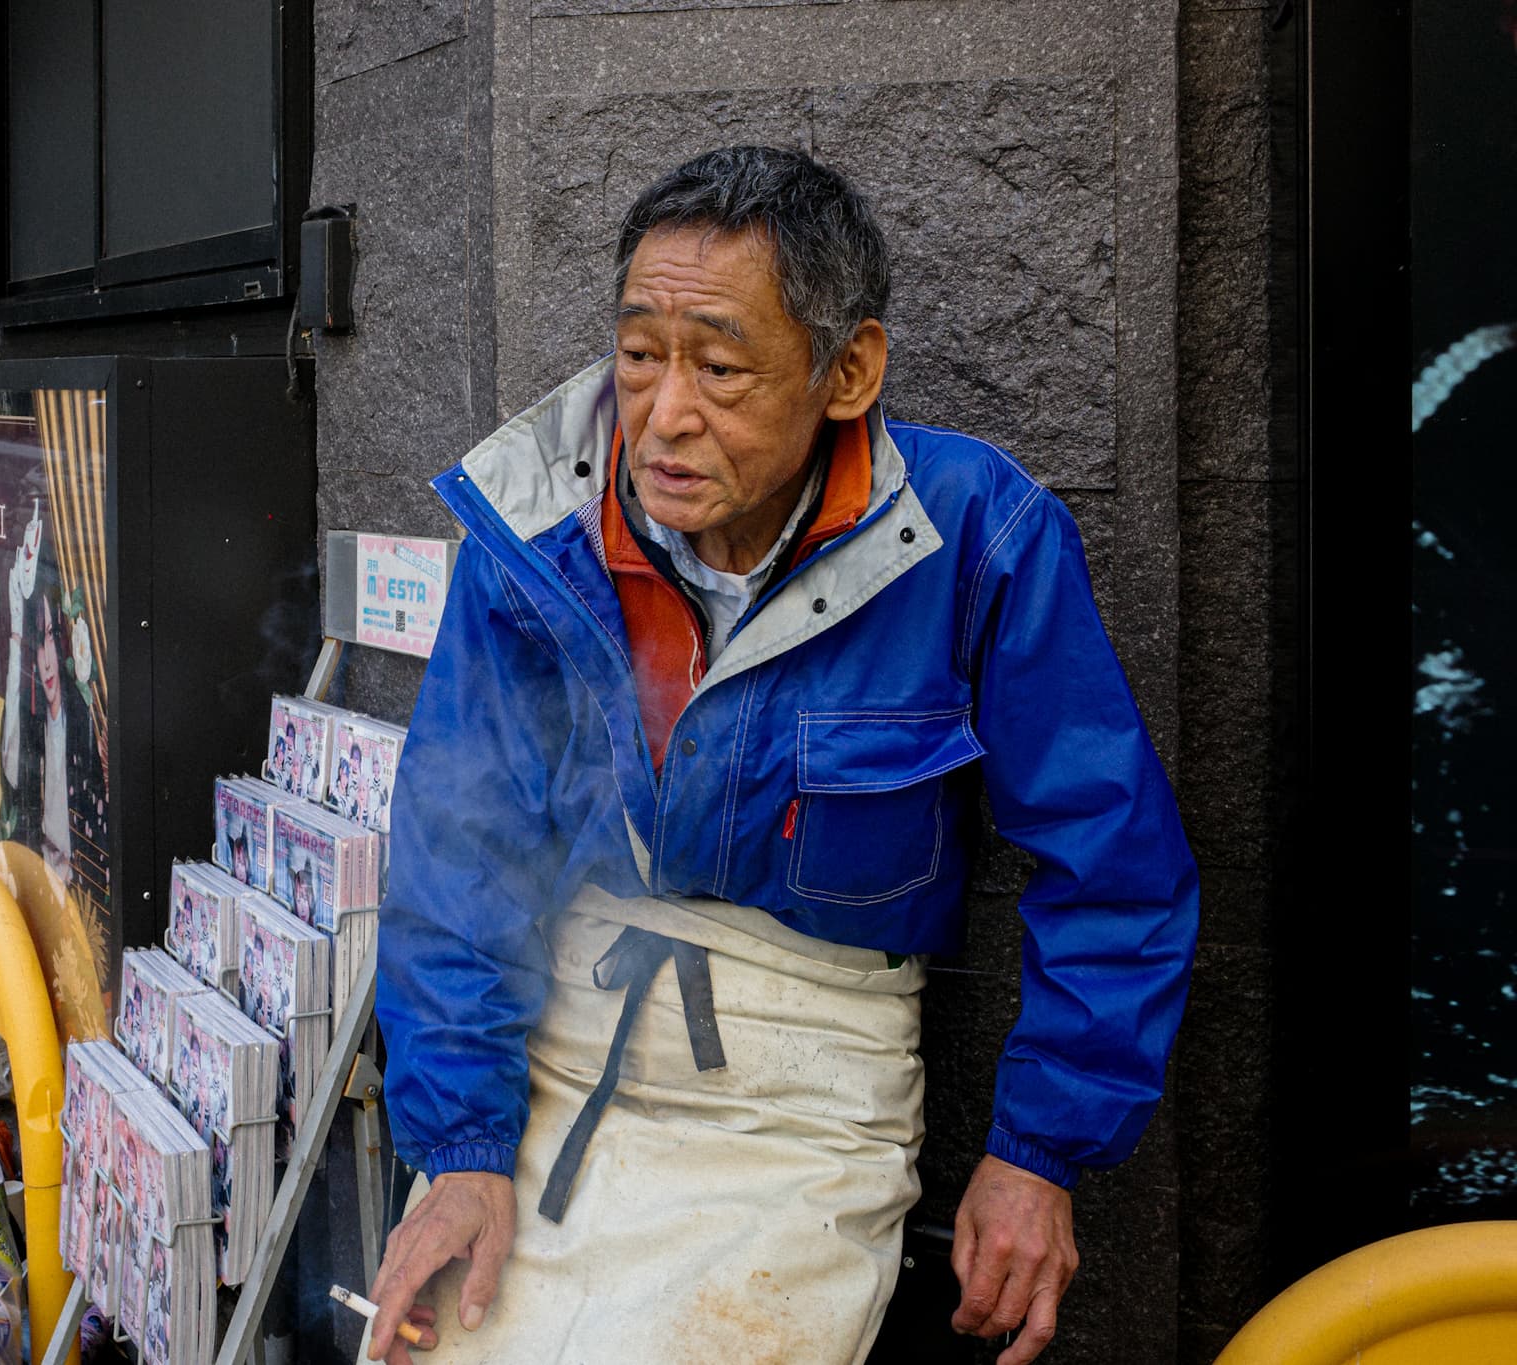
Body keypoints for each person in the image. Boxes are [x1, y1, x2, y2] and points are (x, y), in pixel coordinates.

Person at [367, 146, 1198, 1365]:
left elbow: (1112, 867)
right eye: (639, 355)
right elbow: (458, 858)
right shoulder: (539, 532)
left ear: (845, 370)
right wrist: (459, 1151)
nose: (663, 413)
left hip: (807, 1089)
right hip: (554, 1056)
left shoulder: (973, 535)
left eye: (718, 365)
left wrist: (1038, 1151)